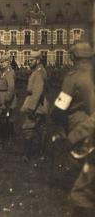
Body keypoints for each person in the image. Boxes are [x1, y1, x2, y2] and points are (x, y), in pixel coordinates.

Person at [50, 42, 95, 216]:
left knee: (80, 176)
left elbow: (60, 107)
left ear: (73, 57)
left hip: (81, 127)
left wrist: (56, 120)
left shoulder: (73, 77)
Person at [20, 51, 49, 161]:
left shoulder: (38, 72)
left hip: (36, 105)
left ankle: (27, 155)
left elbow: (37, 92)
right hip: (41, 104)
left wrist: (31, 108)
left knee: (28, 128)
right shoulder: (39, 70)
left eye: (31, 60)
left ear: (38, 60)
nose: (29, 62)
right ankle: (42, 154)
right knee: (41, 129)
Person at [0, 54, 17, 143]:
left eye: (2, 62)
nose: (1, 64)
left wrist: (7, 99)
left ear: (8, 62)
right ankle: (8, 135)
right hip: (3, 97)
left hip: (6, 98)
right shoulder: (4, 71)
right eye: (0, 62)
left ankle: (5, 137)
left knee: (4, 117)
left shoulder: (9, 72)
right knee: (6, 117)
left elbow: (11, 87)